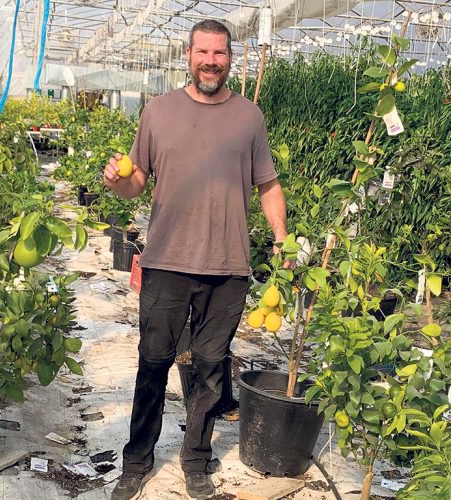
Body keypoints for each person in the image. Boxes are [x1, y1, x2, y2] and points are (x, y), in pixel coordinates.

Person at [103, 19, 289, 500]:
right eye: (203, 52)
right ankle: (137, 461)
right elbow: (136, 180)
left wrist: (282, 240)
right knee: (153, 363)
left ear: (231, 59)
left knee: (210, 368)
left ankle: (196, 461)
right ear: (188, 55)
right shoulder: (158, 112)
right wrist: (115, 182)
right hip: (167, 261)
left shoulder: (249, 117)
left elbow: (268, 184)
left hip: (228, 268)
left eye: (220, 54)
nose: (211, 61)